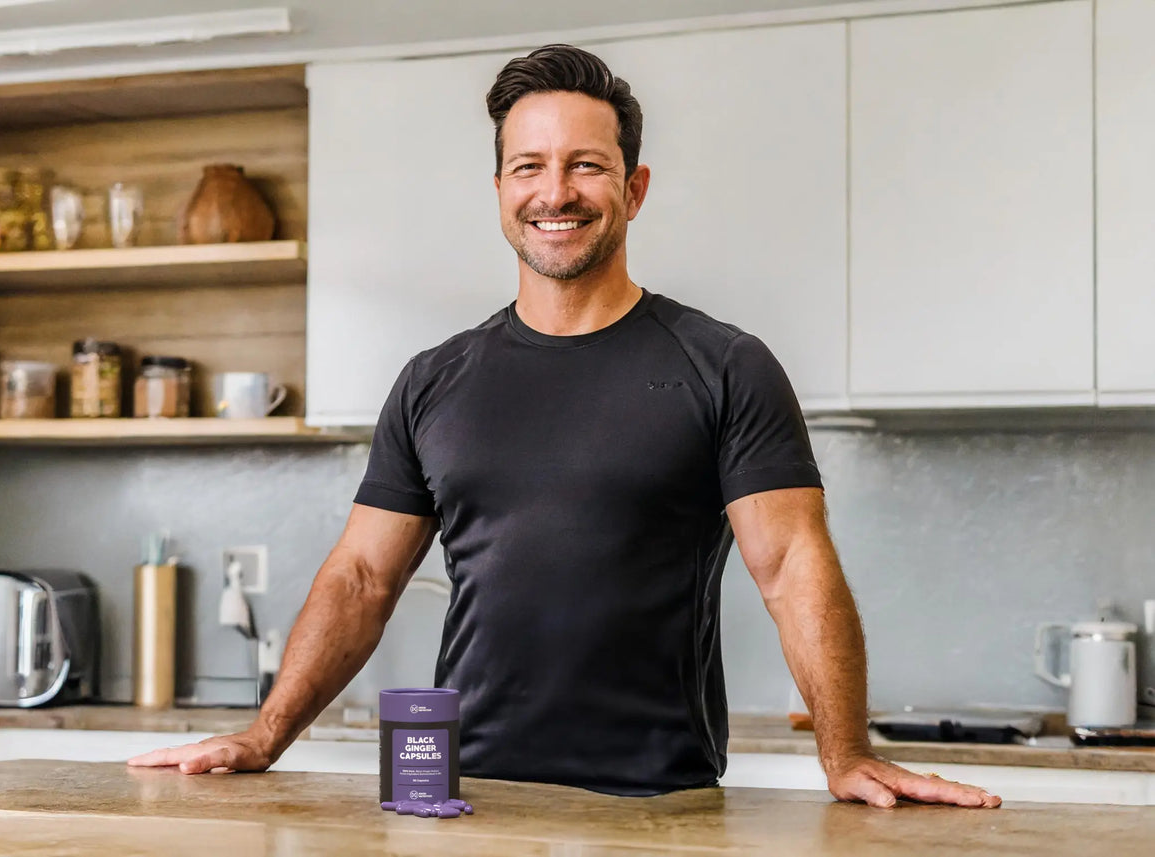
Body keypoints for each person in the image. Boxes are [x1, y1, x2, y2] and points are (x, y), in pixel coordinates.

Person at [130, 44, 1000, 809]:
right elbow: (361, 578)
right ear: (501, 190)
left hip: (660, 804)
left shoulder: (726, 365)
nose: (556, 192)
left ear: (634, 187)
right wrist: (265, 734)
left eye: (586, 165)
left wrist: (843, 752)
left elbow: (792, 567)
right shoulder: (434, 380)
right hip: (464, 796)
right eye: (528, 167)